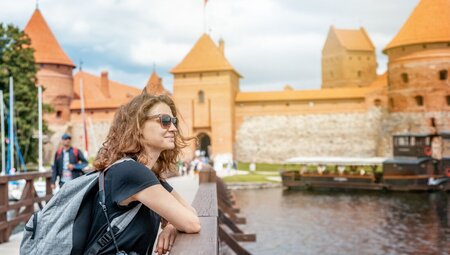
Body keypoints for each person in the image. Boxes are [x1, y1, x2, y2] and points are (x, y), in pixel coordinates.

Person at [80, 93, 201, 255]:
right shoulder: (133, 173)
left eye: (174, 121)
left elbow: (190, 213)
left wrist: (171, 225)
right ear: (138, 126)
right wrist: (176, 220)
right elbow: (192, 223)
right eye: (164, 121)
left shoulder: (144, 174)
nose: (172, 128)